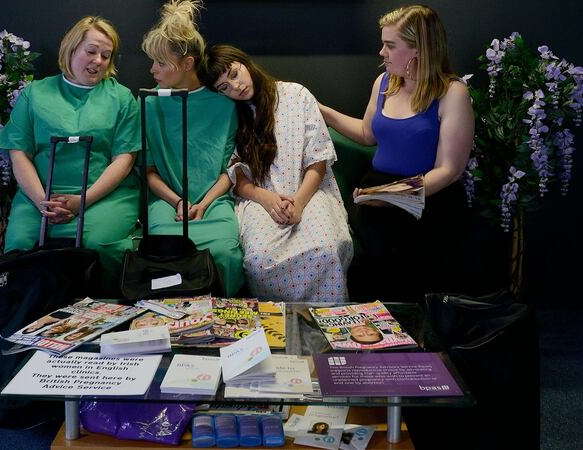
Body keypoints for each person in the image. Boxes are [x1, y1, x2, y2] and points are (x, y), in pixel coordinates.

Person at [319, 5, 474, 302]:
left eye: (390, 46)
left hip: (428, 196)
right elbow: (367, 134)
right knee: (372, 251)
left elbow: (449, 169)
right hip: (378, 189)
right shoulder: (384, 83)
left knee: (406, 264)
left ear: (420, 50)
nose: (381, 53)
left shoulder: (452, 93)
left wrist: (394, 194)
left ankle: (413, 334)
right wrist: (322, 111)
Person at [0, 16, 142, 293]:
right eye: (91, 51)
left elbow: (124, 159)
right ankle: (25, 319)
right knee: (20, 243)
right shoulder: (35, 94)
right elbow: (19, 153)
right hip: (40, 195)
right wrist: (41, 201)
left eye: (106, 55)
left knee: (99, 242)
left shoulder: (121, 98)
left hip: (104, 196)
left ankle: (106, 315)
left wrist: (81, 202)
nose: (98, 60)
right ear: (71, 49)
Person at [201, 45, 353, 302]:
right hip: (259, 198)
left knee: (327, 249)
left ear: (245, 63)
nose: (235, 87)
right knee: (260, 260)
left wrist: (299, 202)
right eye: (224, 87)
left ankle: (327, 322)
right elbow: (236, 176)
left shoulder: (296, 94)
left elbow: (318, 161)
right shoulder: (232, 116)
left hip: (309, 190)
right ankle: (275, 330)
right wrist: (266, 198)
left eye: (235, 74)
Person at [140, 0, 244, 295]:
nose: (152, 69)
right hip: (167, 204)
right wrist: (177, 202)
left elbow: (230, 168)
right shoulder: (151, 103)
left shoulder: (224, 103)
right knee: (165, 252)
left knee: (224, 253)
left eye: (161, 63)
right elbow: (148, 172)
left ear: (187, 63)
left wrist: (205, 202)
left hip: (215, 202)